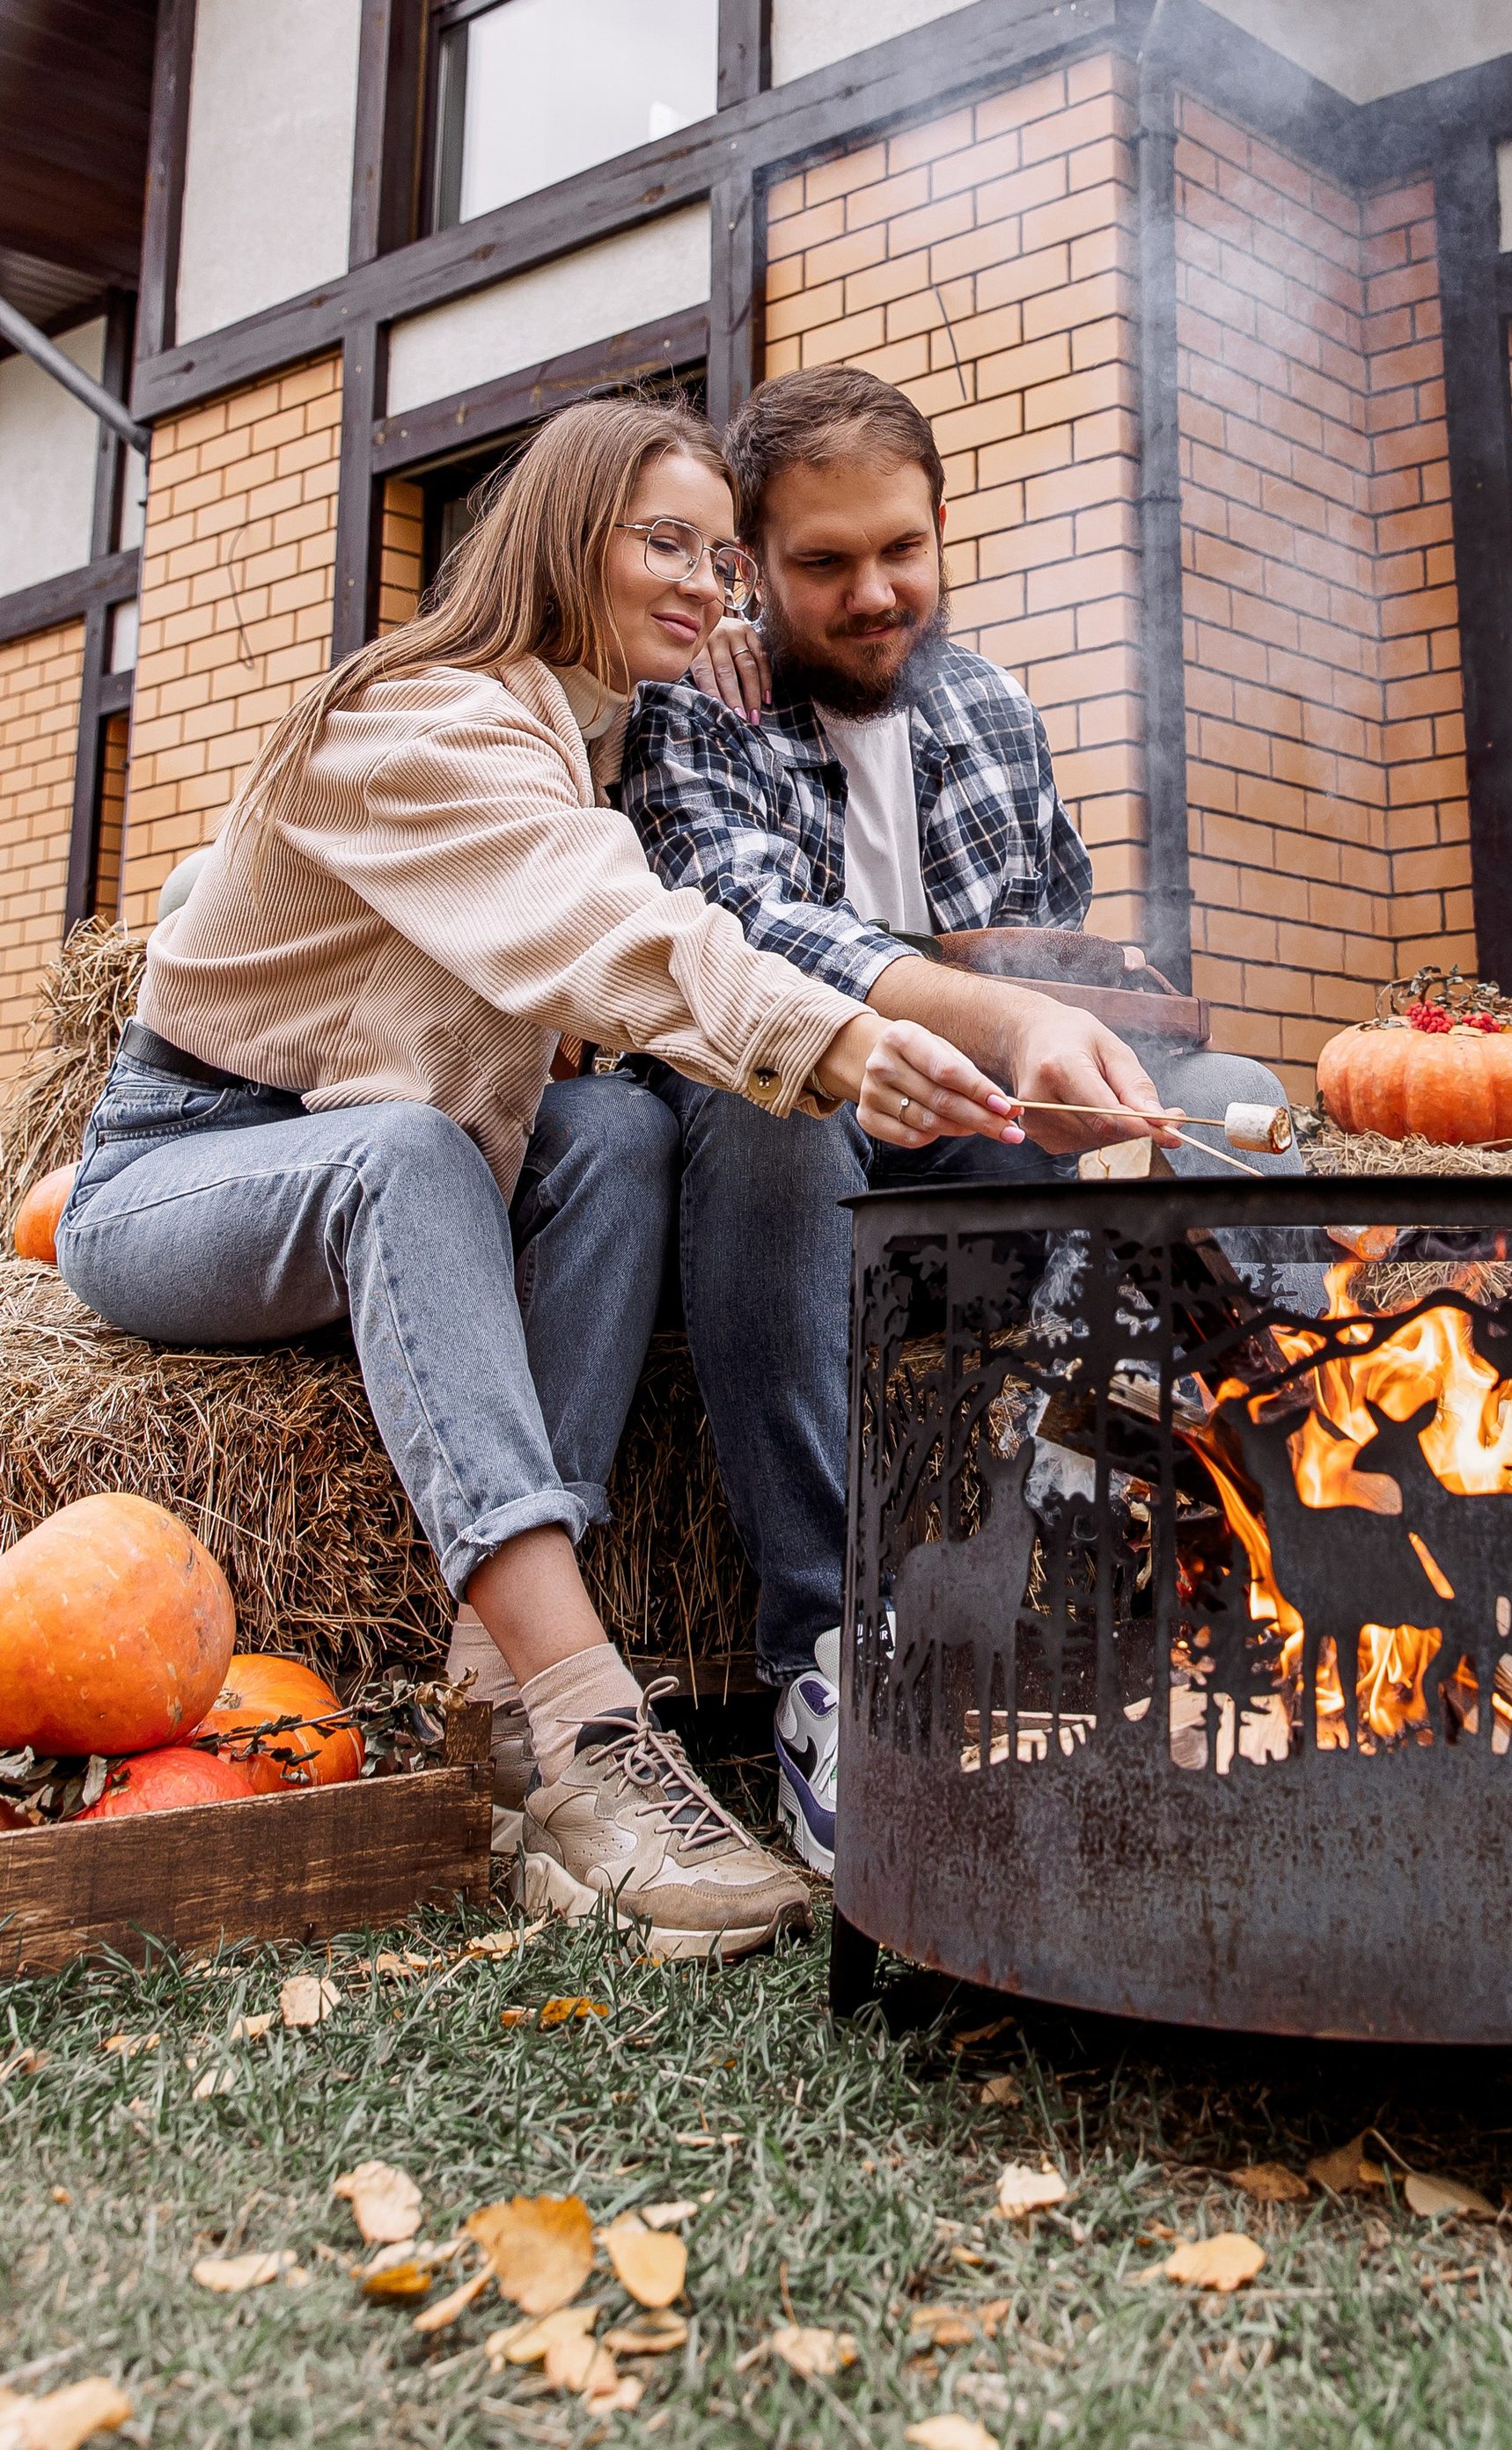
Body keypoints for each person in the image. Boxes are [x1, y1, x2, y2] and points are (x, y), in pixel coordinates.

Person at [55, 397, 1035, 1961]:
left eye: (724, 557)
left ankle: (488, 1679)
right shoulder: (426, 718)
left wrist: (722, 635)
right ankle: (584, 1727)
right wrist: (841, 1043)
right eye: (668, 544)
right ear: (560, 533)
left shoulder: (588, 726)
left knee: (625, 1131)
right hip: (186, 1166)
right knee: (405, 1153)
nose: (710, 584)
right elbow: (612, 931)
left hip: (399, 1141)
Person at [621, 365, 1299, 1875]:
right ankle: (827, 1654)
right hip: (804, 1159)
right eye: (822, 564)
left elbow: (1047, 934)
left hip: (985, 1151)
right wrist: (994, 1013)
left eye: (901, 550)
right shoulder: (692, 713)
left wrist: (1098, 1006)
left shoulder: (990, 704)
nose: (875, 595)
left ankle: (1214, 1548)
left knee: (1238, 1108)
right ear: (749, 568)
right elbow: (744, 937)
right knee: (770, 1092)